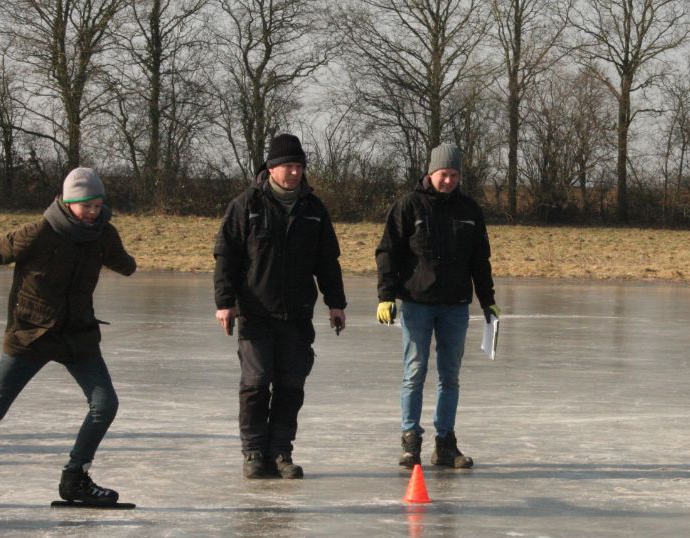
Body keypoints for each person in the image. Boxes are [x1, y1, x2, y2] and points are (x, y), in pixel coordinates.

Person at [0, 168, 137, 506]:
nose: (93, 212)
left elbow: (124, 264)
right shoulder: (38, 233)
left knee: (105, 405)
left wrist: (126, 263)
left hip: (76, 335)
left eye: (98, 205)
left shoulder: (103, 234)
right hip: (31, 333)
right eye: (86, 205)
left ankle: (75, 478)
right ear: (68, 202)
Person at [214, 133, 346, 479]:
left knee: (291, 386)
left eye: (299, 166)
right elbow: (226, 257)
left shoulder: (313, 209)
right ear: (271, 168)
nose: (295, 172)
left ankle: (281, 452)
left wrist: (336, 303)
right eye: (288, 166)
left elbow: (327, 261)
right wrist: (225, 303)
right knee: (256, 384)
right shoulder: (247, 205)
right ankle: (254, 451)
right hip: (256, 312)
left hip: (297, 315)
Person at [375, 142, 499, 469]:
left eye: (454, 175)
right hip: (417, 303)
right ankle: (410, 441)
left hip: (455, 306)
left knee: (450, 376)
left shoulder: (469, 210)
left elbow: (480, 260)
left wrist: (488, 300)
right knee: (414, 371)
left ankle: (445, 443)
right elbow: (387, 252)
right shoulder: (409, 206)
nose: (449, 181)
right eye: (444, 174)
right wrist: (386, 295)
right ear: (431, 172)